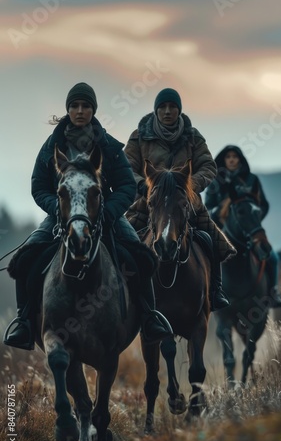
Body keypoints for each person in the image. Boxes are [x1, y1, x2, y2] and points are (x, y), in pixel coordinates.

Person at [4, 82, 173, 350]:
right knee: (26, 258)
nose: (80, 111)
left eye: (85, 106)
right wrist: (60, 210)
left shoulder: (110, 147)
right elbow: (38, 186)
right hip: (63, 216)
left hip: (104, 215)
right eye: (75, 106)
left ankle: (150, 317)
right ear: (68, 110)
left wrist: (109, 213)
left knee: (141, 258)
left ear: (93, 110)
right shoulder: (51, 147)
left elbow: (127, 186)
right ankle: (23, 322)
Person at [124, 87, 236, 311]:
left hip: (185, 203)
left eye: (172, 107)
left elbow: (208, 166)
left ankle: (215, 289)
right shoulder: (139, 136)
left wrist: (188, 186)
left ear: (179, 110)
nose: (167, 111)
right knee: (122, 240)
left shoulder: (193, 137)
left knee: (211, 241)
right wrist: (145, 185)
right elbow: (127, 166)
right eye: (163, 107)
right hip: (149, 202)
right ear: (156, 110)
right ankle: (123, 291)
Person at [205, 144, 281, 308]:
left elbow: (263, 204)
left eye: (235, 157)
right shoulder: (216, 180)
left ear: (240, 159)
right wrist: (221, 211)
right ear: (223, 160)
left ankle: (273, 293)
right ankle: (208, 293)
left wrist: (254, 219)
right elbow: (207, 205)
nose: (232, 160)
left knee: (273, 257)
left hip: (250, 230)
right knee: (206, 256)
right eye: (228, 157)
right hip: (222, 229)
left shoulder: (252, 180)